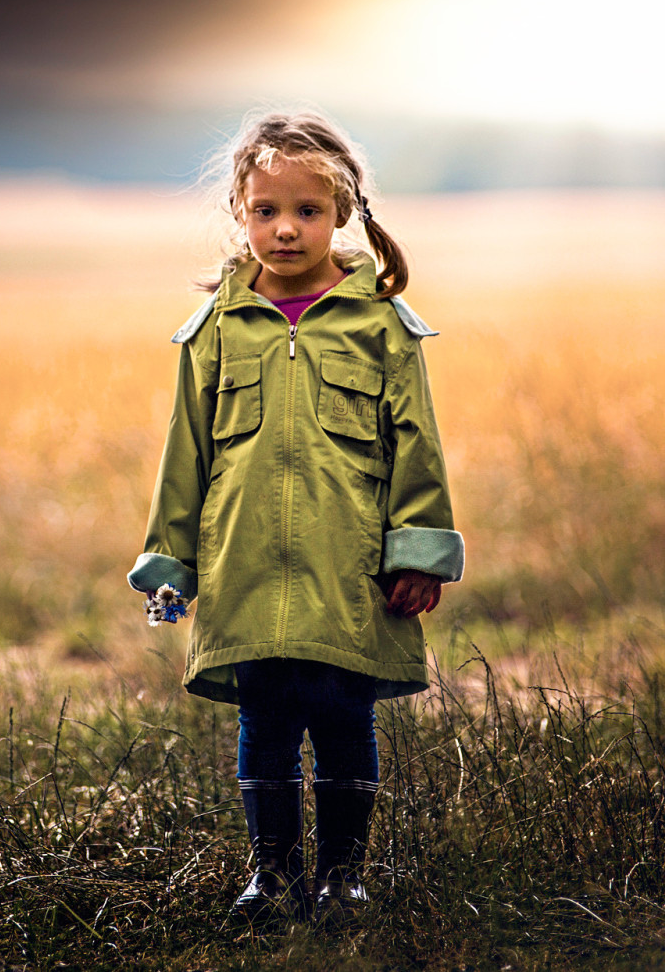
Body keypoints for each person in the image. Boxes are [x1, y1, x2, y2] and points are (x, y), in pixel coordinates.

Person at [128, 110, 463, 922]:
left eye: (307, 211)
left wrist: (415, 551)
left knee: (344, 716)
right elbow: (186, 457)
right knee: (266, 720)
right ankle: (271, 877)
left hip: (347, 571)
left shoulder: (379, 323)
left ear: (342, 214)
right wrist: (170, 564)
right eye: (267, 211)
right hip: (243, 568)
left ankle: (343, 878)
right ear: (240, 214)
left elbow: (416, 442)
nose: (286, 229)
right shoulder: (214, 330)